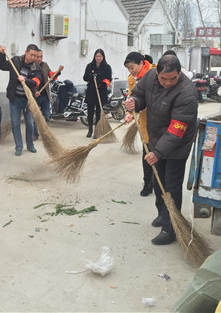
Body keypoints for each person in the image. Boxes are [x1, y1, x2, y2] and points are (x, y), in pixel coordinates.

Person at [125, 54, 198, 245]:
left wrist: (158, 152)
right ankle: (162, 214)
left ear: (179, 73)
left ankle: (170, 227)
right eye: (163, 78)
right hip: (156, 138)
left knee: (171, 185)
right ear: (157, 73)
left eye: (173, 78)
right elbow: (139, 94)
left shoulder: (187, 93)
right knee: (158, 183)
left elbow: (177, 130)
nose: (167, 83)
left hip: (177, 145)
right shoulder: (150, 77)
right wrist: (134, 102)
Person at [0, 44, 41, 156]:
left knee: (30, 124)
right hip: (15, 98)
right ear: (26, 52)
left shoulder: (36, 68)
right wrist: (2, 54)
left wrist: (25, 80)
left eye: (35, 56)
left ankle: (30, 145)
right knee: (15, 123)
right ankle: (19, 146)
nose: (33, 57)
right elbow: (2, 66)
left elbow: (36, 82)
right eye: (31, 55)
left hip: (28, 100)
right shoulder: (15, 61)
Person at [124, 52, 156, 197]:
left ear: (141, 63)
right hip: (145, 121)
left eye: (132, 67)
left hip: (159, 120)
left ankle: (158, 183)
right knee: (146, 151)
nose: (131, 71)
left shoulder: (156, 72)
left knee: (159, 153)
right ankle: (147, 183)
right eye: (128, 69)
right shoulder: (132, 79)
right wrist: (130, 111)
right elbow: (132, 96)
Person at [33, 50, 64, 140]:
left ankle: (44, 133)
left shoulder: (45, 65)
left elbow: (51, 75)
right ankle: (35, 134)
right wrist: (34, 91)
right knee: (34, 116)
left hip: (45, 95)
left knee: (47, 116)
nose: (39, 59)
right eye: (37, 57)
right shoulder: (32, 66)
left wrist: (58, 71)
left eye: (41, 56)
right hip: (35, 95)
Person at [83, 49, 112, 138]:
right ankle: (90, 130)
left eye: (100, 56)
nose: (98, 58)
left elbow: (108, 79)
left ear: (103, 57)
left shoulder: (107, 67)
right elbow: (85, 78)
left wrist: (103, 84)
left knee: (99, 112)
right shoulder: (90, 66)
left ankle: (97, 130)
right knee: (90, 112)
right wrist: (90, 76)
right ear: (94, 57)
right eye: (97, 56)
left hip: (101, 92)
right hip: (91, 91)